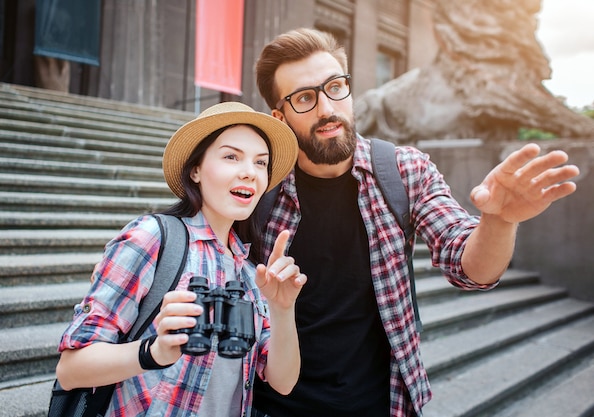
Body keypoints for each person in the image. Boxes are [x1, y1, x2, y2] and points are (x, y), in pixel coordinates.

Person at [251, 28, 580, 417]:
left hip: (379, 402)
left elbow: (469, 267)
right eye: (305, 98)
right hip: (274, 405)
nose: (327, 109)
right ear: (279, 116)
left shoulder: (404, 170)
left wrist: (498, 221)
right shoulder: (257, 184)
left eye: (335, 87)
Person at [55, 102, 307, 417]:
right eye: (231, 156)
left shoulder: (250, 272)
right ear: (195, 169)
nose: (249, 172)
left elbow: (282, 381)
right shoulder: (152, 238)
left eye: (261, 163)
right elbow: (70, 368)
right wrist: (153, 352)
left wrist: (284, 311)